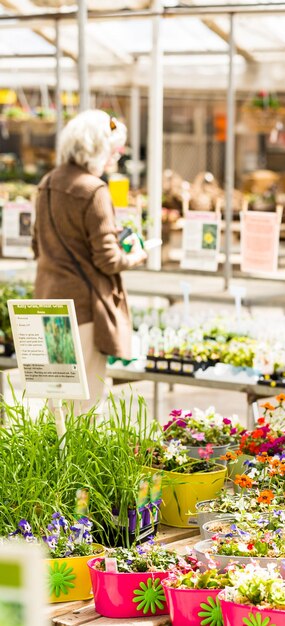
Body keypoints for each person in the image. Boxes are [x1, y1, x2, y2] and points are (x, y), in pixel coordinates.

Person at [32, 109, 147, 412]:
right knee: (84, 406)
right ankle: (75, 463)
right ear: (97, 147)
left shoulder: (46, 184)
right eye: (114, 149)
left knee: (55, 405)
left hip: (46, 305)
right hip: (82, 310)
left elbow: (37, 245)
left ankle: (52, 461)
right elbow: (108, 260)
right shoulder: (93, 189)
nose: (117, 157)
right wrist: (137, 255)